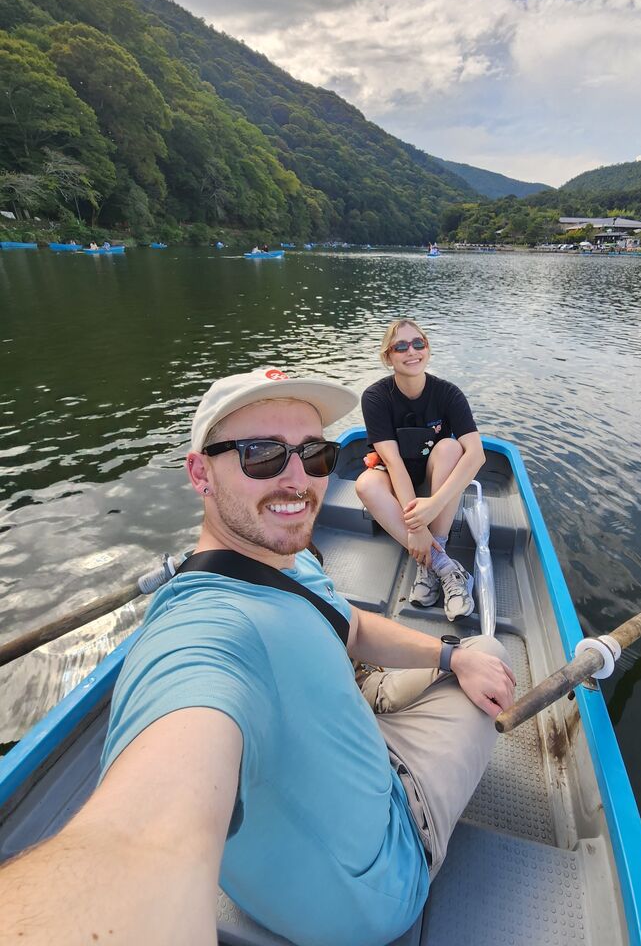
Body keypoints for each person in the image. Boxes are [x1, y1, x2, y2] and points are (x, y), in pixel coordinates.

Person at [1, 367, 515, 946]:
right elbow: (141, 842)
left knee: (465, 656)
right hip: (381, 874)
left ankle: (383, 689)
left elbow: (349, 627)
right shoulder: (203, 634)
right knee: (491, 647)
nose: (298, 480)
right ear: (200, 472)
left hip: (287, 855)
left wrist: (450, 657)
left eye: (313, 453)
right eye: (261, 454)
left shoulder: (284, 559)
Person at [357, 319, 486, 620]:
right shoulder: (376, 397)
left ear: (427, 349)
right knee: (365, 485)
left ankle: (432, 550)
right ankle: (443, 567)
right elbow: (393, 462)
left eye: (419, 343)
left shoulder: (448, 394)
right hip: (395, 477)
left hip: (433, 485)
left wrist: (433, 505)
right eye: (400, 346)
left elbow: (476, 455)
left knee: (451, 448)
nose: (411, 351)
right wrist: (416, 526)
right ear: (388, 356)